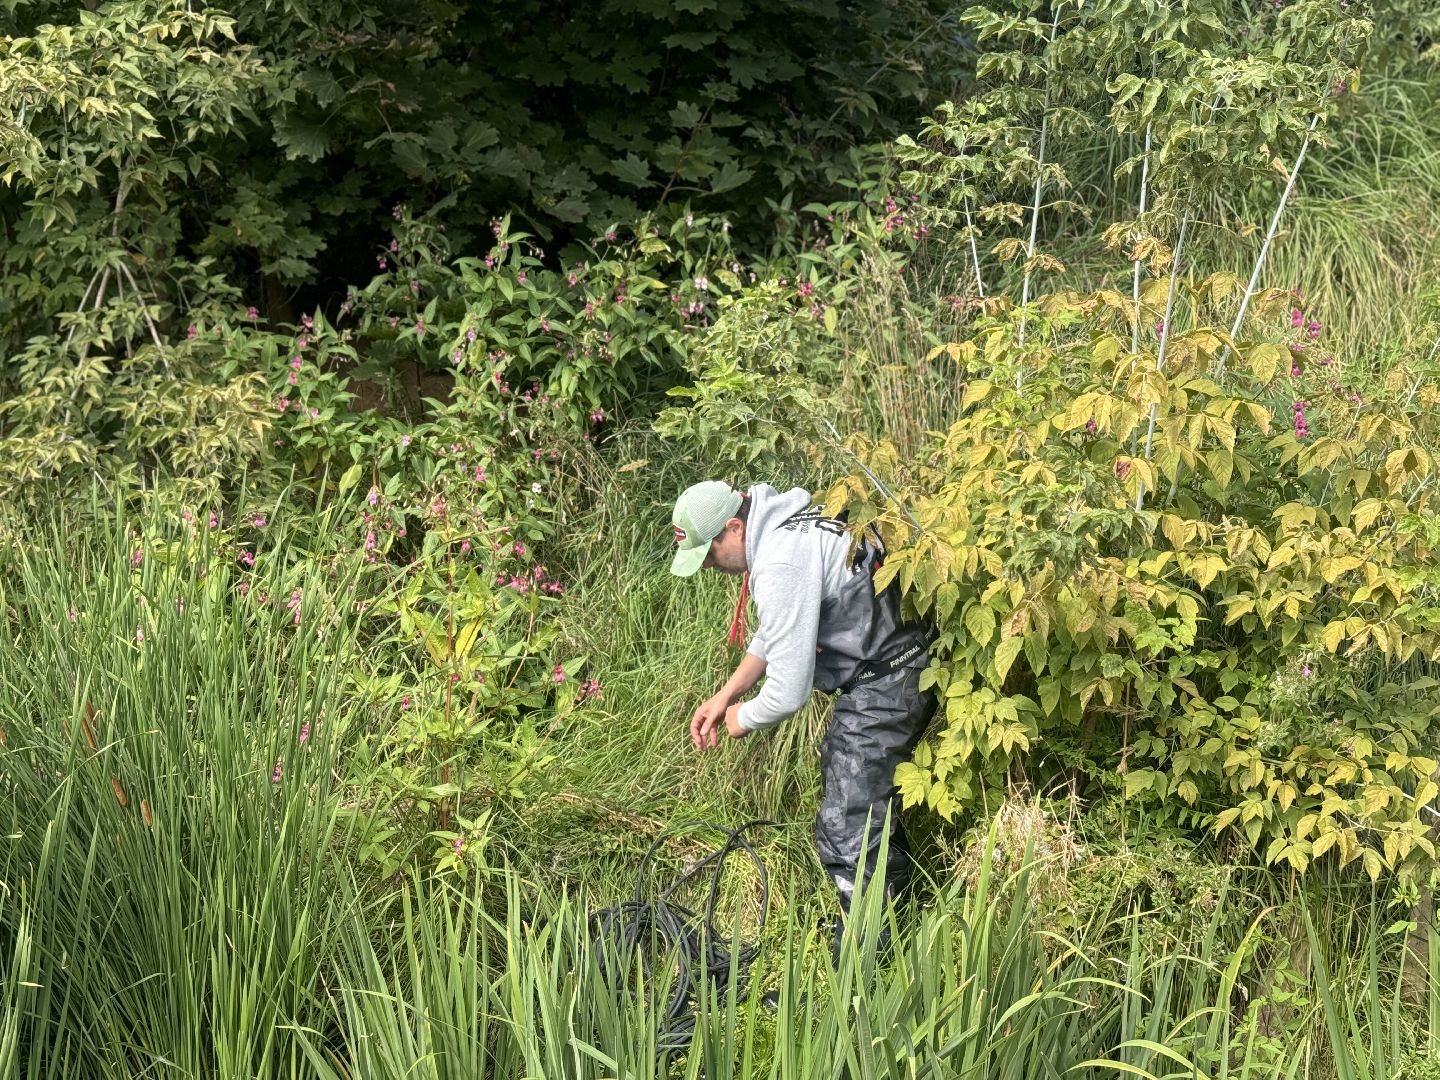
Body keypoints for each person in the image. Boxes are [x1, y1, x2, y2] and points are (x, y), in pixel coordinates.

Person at [669, 479, 934, 925]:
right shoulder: (793, 521)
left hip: (888, 681)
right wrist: (727, 693)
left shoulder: (778, 561)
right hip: (900, 662)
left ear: (734, 527)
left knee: (846, 822)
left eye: (710, 554)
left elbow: (788, 692)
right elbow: (781, 627)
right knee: (854, 789)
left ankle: (862, 966)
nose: (713, 567)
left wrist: (742, 718)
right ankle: (897, 914)